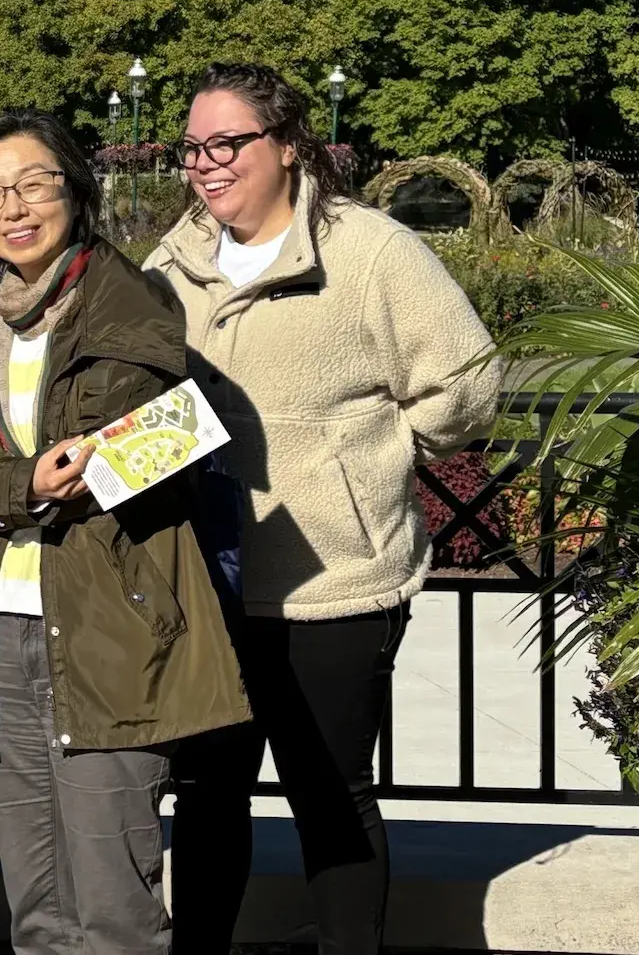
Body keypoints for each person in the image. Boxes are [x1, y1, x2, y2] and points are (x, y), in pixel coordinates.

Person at [146, 64, 501, 955]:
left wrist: (371, 458)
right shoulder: (169, 262)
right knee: (207, 794)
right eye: (192, 147)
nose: (205, 163)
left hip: (336, 587)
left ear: (288, 145)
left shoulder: (372, 251)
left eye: (227, 143)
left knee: (329, 793)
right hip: (210, 586)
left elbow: (464, 382)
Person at [0, 109, 251, 954]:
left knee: (113, 907)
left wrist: (20, 480)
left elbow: (120, 451)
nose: (13, 207)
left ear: (74, 190)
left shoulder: (129, 304)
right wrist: (23, 481)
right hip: (6, 625)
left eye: (33, 183)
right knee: (36, 906)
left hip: (109, 621)